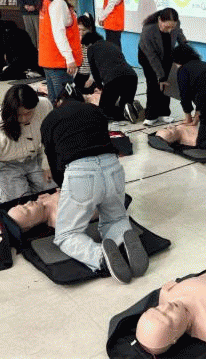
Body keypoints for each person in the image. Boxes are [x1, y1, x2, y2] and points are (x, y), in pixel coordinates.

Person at [40, 88, 148, 284]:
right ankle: (124, 236)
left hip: (81, 172)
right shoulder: (94, 110)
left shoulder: (50, 119)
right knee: (116, 218)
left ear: (57, 102)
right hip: (113, 167)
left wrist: (63, 185)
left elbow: (53, 158)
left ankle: (100, 257)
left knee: (67, 234)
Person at [0, 85, 53, 222]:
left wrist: (47, 165)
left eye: (28, 113)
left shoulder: (44, 105)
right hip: (6, 166)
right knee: (21, 202)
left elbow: (49, 137)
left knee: (50, 191)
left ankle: (20, 182)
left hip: (34, 158)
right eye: (19, 115)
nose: (24, 118)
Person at [38, 0, 82, 103]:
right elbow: (59, 33)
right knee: (65, 103)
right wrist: (69, 59)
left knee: (55, 101)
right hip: (59, 62)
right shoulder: (57, 2)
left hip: (49, 59)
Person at [138, 8, 187, 125]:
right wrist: (161, 76)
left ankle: (164, 113)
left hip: (166, 53)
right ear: (160, 20)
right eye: (167, 26)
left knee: (166, 83)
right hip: (147, 57)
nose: (169, 30)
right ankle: (151, 115)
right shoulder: (148, 30)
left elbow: (179, 33)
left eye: (172, 27)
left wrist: (184, 44)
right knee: (153, 83)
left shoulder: (175, 24)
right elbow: (152, 57)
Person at [81, 31, 139, 122]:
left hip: (113, 79)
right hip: (132, 77)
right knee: (124, 104)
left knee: (104, 111)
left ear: (89, 43)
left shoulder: (91, 48)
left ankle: (123, 112)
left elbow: (94, 70)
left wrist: (100, 86)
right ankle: (130, 108)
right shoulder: (112, 44)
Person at [74, 13, 96, 93]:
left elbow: (96, 64)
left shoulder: (93, 43)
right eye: (79, 30)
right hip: (77, 75)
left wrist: (91, 78)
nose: (81, 32)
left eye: (84, 30)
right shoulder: (75, 42)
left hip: (88, 76)